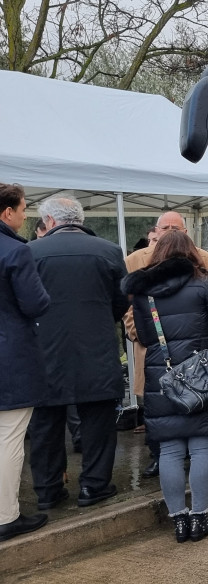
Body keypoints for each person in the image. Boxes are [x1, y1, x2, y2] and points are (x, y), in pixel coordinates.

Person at [123, 231, 208, 543]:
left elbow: (143, 337)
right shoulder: (204, 285)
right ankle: (199, 517)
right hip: (201, 376)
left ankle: (179, 523)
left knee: (170, 449)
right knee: (201, 447)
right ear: (191, 255)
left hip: (162, 377)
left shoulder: (144, 293)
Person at [28, 195, 128, 510]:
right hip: (95, 348)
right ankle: (94, 486)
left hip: (44, 352)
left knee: (45, 424)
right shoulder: (110, 251)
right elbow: (121, 302)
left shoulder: (30, 252)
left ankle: (48, 490)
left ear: (49, 222)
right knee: (98, 421)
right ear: (80, 220)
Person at [123, 211, 208, 478]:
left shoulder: (207, 260)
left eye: (174, 226)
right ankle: (160, 459)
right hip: (157, 352)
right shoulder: (134, 261)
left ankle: (182, 501)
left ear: (185, 231)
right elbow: (129, 310)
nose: (169, 231)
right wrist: (140, 335)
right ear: (155, 230)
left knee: (190, 422)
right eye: (164, 226)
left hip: (193, 357)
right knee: (163, 420)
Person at [0, 183, 52, 542]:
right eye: (22, 209)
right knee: (9, 437)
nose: (24, 215)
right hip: (10, 356)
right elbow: (35, 303)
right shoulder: (16, 252)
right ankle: (6, 515)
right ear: (7, 213)